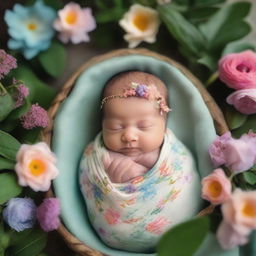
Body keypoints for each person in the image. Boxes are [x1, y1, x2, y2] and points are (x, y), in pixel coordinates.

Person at [80, 71, 201, 252]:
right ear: (102, 124)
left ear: (164, 124)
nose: (129, 136)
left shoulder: (171, 150)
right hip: (117, 233)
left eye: (144, 126)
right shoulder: (99, 155)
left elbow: (181, 169)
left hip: (182, 225)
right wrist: (121, 172)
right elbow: (90, 178)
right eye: (115, 127)